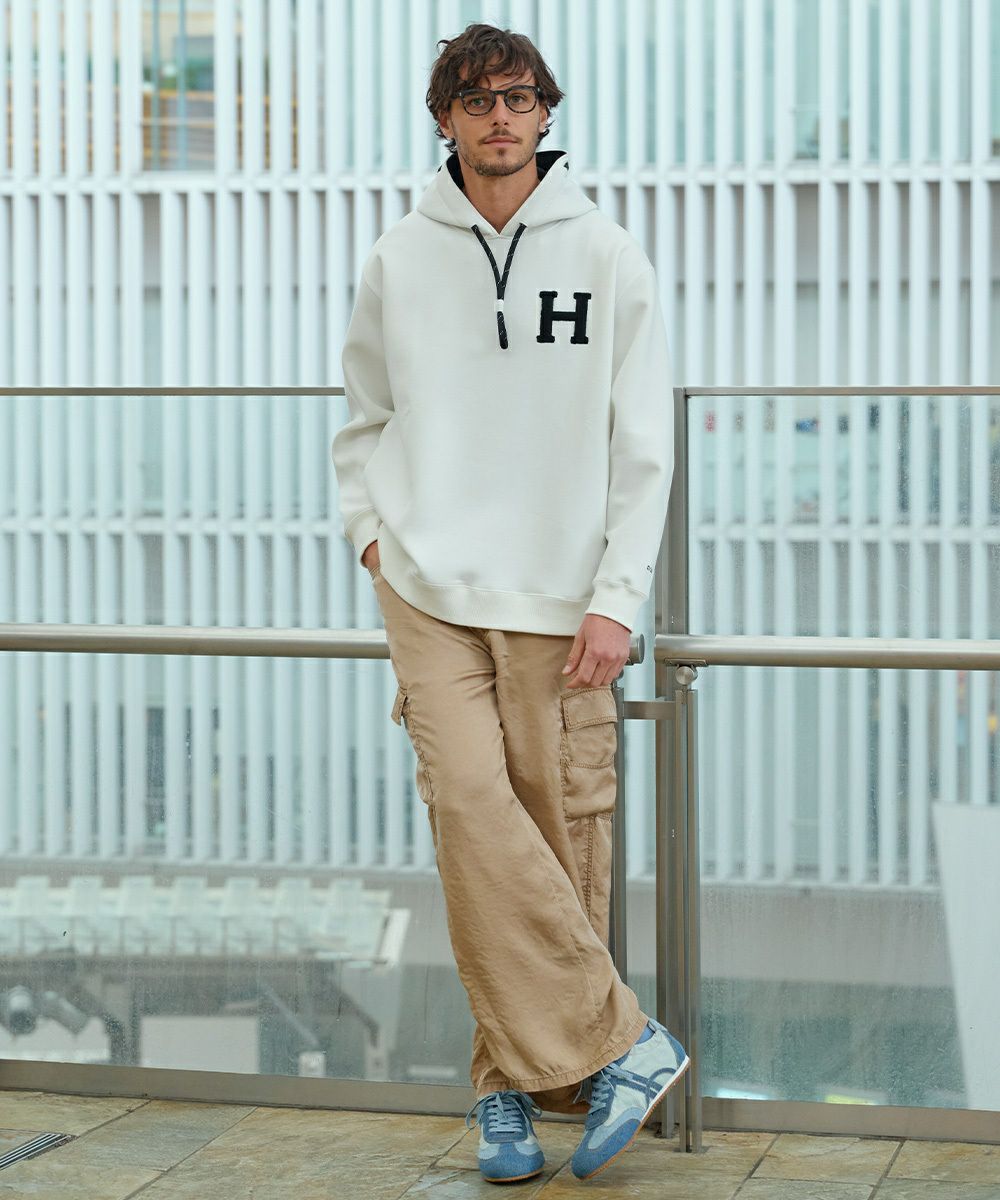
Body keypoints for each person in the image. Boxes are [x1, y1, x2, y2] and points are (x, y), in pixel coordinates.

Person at [331, 23, 688, 1184]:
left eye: (519, 98)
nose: (499, 117)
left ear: (545, 113)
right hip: (424, 584)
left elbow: (643, 444)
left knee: (550, 834)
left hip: (558, 593)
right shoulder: (399, 257)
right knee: (469, 810)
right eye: (478, 99)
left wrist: (617, 597)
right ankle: (624, 1044)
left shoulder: (607, 253)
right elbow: (362, 418)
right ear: (444, 116)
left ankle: (508, 1095)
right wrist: (371, 536)